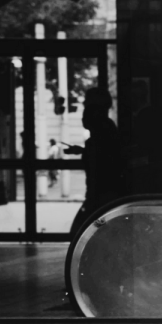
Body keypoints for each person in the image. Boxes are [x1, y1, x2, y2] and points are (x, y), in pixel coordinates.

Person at [65, 88, 127, 240]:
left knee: (83, 232)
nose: (84, 113)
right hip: (105, 196)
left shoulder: (99, 136)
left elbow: (101, 163)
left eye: (88, 107)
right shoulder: (107, 131)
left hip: (100, 197)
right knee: (96, 232)